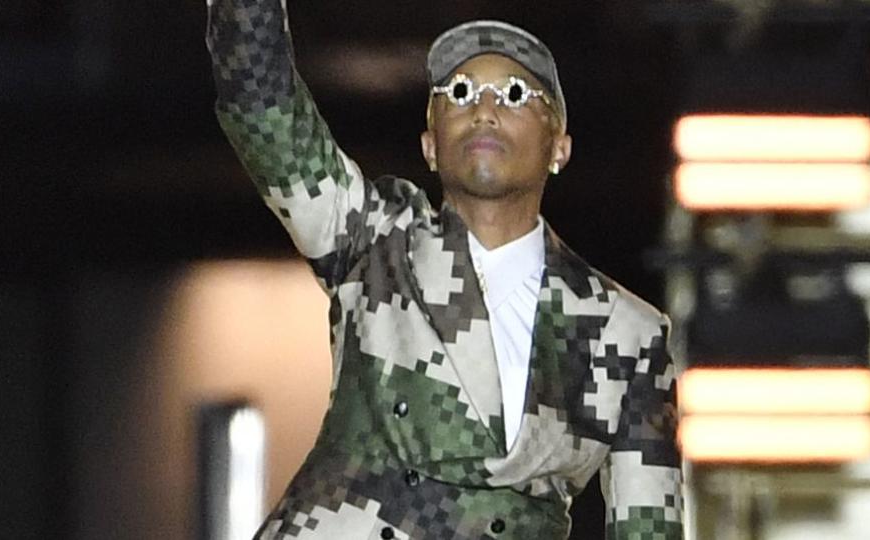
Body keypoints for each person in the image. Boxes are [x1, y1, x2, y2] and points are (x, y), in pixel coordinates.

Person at [206, 0, 683, 538]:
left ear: (560, 147)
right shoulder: (374, 240)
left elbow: (648, 527)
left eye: (515, 94)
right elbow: (261, 110)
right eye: (459, 92)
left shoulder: (627, 334)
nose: (483, 108)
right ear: (430, 145)